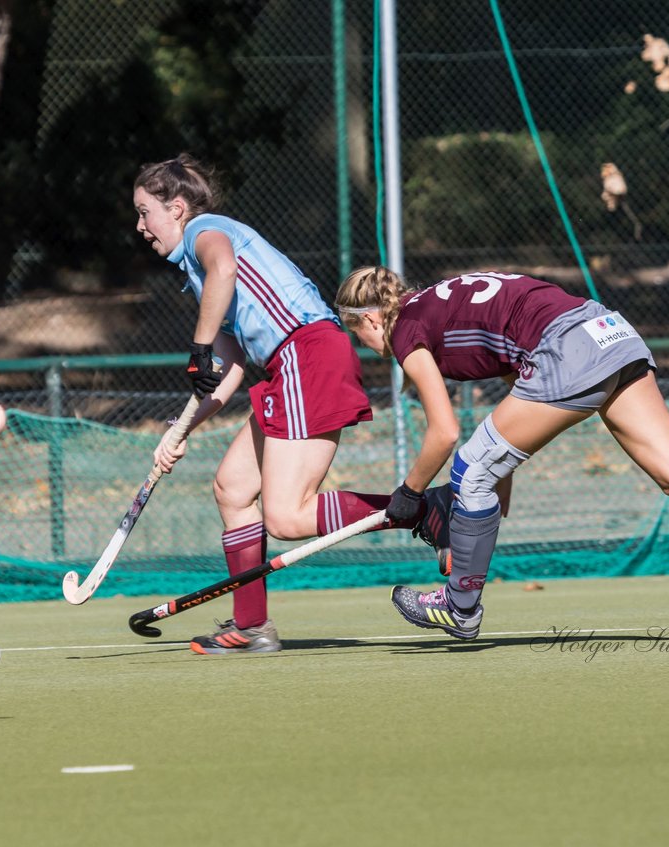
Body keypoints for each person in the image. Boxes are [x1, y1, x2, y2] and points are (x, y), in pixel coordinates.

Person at [334, 265, 669, 641]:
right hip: (606, 329)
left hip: (565, 347)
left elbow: (443, 433)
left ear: (371, 318)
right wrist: (479, 507)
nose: (364, 342)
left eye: (354, 330)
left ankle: (461, 608)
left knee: (468, 467)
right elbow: (515, 398)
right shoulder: (442, 301)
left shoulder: (405, 330)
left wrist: (410, 494)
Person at [133, 155, 441, 654]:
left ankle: (424, 511)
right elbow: (229, 368)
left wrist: (199, 346)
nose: (140, 226)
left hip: (306, 355)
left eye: (145, 211)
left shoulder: (204, 232)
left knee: (286, 518)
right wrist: (180, 429)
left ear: (178, 208)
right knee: (233, 489)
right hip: (291, 365)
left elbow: (224, 268)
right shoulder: (200, 272)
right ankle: (252, 626)